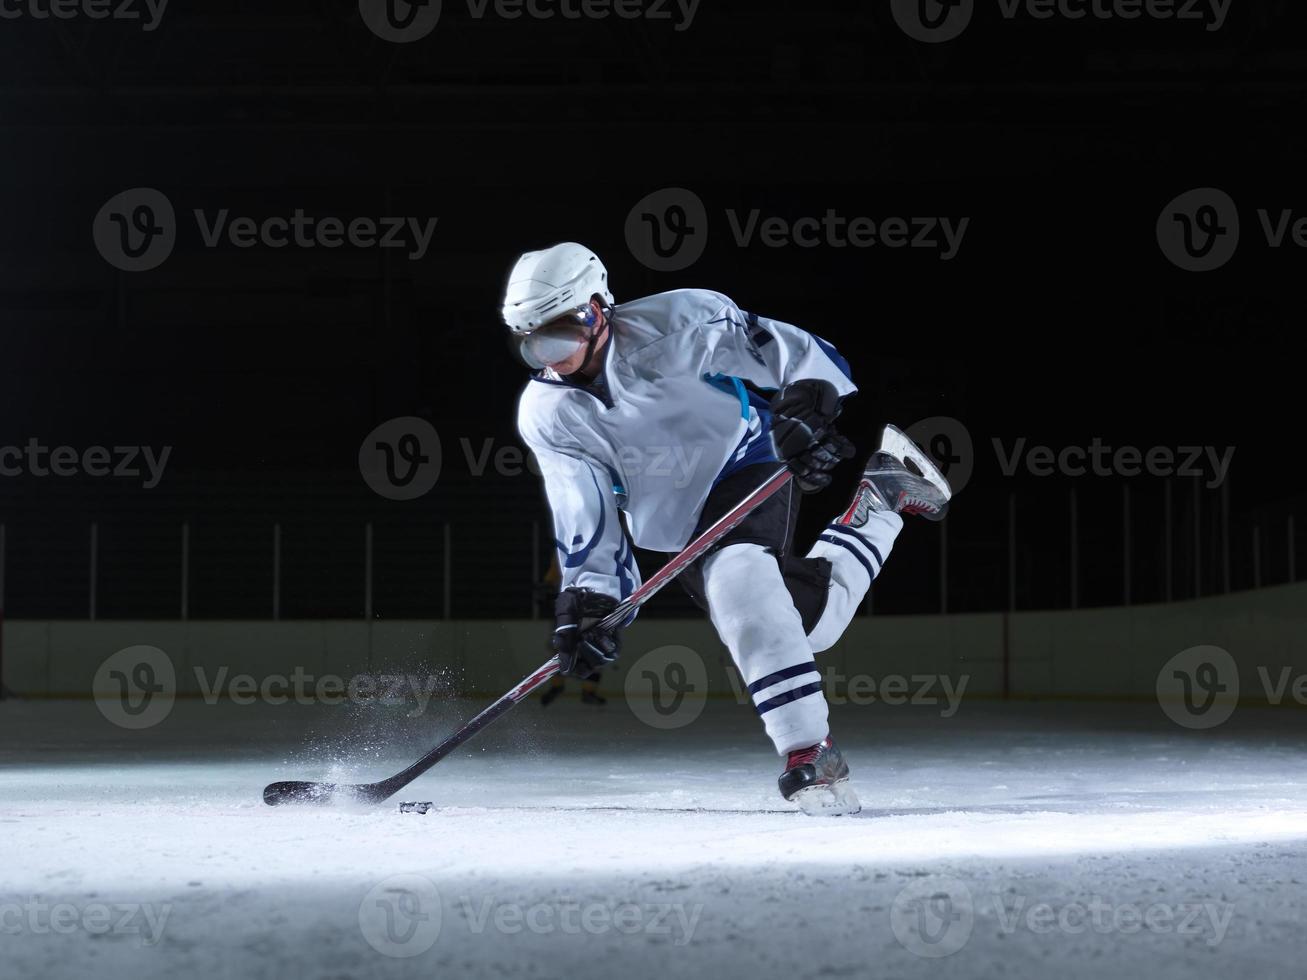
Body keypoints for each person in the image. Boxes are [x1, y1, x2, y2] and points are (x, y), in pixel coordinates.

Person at [504, 243, 951, 815]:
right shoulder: (546, 414)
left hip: (745, 462)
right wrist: (591, 600)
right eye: (534, 341)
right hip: (674, 526)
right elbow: (582, 512)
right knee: (803, 626)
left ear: (598, 307)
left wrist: (810, 404)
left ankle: (809, 751)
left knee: (739, 579)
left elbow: (798, 357)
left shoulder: (682, 320)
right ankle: (881, 502)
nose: (553, 354)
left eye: (565, 330)